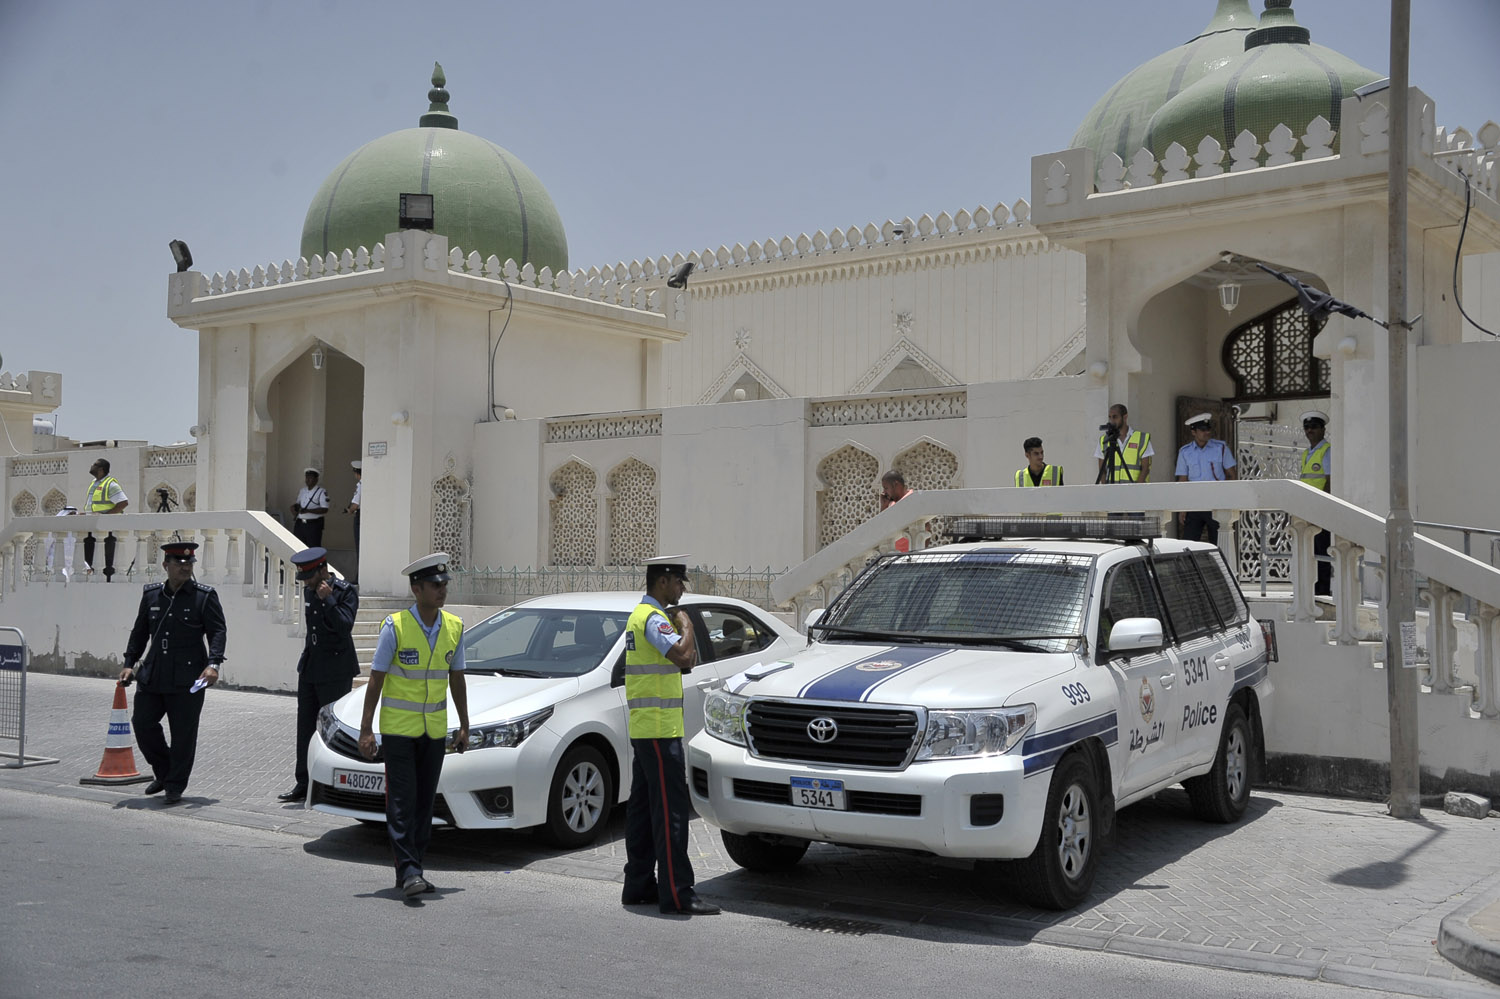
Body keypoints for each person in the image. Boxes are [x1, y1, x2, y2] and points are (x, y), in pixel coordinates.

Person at [358, 552, 470, 898]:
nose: (442, 590)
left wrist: (465, 725)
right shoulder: (395, 627)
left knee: (424, 804)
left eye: (445, 584)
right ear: (416, 589)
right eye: (435, 585)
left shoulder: (454, 627)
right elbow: (375, 681)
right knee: (402, 803)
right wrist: (365, 730)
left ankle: (413, 867)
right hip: (399, 732)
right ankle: (409, 871)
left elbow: (457, 679)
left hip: (434, 732)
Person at [621, 555, 720, 916]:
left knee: (643, 811)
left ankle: (638, 884)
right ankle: (677, 893)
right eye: (679, 582)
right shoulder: (653, 618)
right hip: (660, 732)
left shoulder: (640, 616)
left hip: (648, 728)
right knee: (671, 814)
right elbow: (684, 657)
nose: (681, 589)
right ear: (663, 581)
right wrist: (687, 625)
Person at [117, 541, 227, 804]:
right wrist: (130, 662)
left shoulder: (204, 596)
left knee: (183, 734)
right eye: (179, 563)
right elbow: (140, 631)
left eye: (189, 563)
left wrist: (213, 664)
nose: (185, 567)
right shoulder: (152, 594)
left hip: (192, 677)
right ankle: (164, 772)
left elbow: (218, 632)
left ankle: (175, 785)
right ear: (166, 565)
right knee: (142, 723)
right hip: (154, 672)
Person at [278, 547, 360, 803]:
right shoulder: (310, 591)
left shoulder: (345, 592)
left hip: (336, 669)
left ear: (323, 570)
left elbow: (344, 626)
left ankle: (336, 784)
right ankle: (303, 782)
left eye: (310, 577)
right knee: (305, 728)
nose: (307, 583)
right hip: (312, 667)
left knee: (334, 729)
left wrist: (329, 600)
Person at [1174, 413, 1238, 543]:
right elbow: (1183, 480)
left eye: (1208, 429)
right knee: (1189, 543)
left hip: (1216, 502)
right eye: (1203, 430)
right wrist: (1182, 508)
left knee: (1218, 543)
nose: (1207, 432)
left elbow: (1232, 475)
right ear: (1193, 432)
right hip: (1194, 503)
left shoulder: (1220, 448)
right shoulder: (1185, 452)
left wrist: (1229, 500)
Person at [1300, 410, 1333, 597]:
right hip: (1306, 508)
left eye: (1314, 427)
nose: (1310, 430)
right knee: (1309, 550)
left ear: (1322, 429)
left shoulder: (1326, 451)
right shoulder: (1307, 453)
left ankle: (1323, 589)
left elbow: (1329, 481)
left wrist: (1324, 504)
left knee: (1322, 550)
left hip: (1320, 508)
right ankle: (1310, 587)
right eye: (1307, 427)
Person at [82, 457, 128, 580]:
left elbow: (123, 503)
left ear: (101, 469)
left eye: (95, 464)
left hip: (106, 530)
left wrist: (105, 518)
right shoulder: (94, 483)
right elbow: (94, 506)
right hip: (92, 528)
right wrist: (85, 514)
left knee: (106, 562)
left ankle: (107, 583)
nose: (92, 466)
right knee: (90, 559)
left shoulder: (109, 484)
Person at [1095, 404, 1153, 483]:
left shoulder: (1142, 439)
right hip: (1112, 492)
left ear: (1125, 417)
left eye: (1115, 417)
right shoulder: (1103, 440)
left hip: (1134, 491)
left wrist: (1136, 490)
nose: (1112, 420)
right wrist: (1106, 491)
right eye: (1110, 417)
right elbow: (1102, 471)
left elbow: (1145, 469)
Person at [879, 470, 918, 553]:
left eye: (886, 488)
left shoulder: (912, 499)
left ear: (895, 485)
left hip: (910, 556)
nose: (884, 492)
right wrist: (884, 506)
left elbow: (926, 528)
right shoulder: (892, 503)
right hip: (894, 554)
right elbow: (881, 528)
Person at [290, 467, 329, 547]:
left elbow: (324, 509)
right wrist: (294, 508)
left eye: (310, 478)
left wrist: (308, 511)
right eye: (306, 477)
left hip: (313, 525)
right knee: (298, 547)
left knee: (313, 548)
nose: (307, 480)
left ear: (316, 479)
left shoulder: (321, 492)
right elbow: (298, 504)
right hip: (300, 524)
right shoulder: (303, 491)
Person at [345, 460, 362, 551]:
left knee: (359, 545)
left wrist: (350, 510)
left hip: (360, 517)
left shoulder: (360, 485)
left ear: (356, 472)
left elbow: (355, 505)